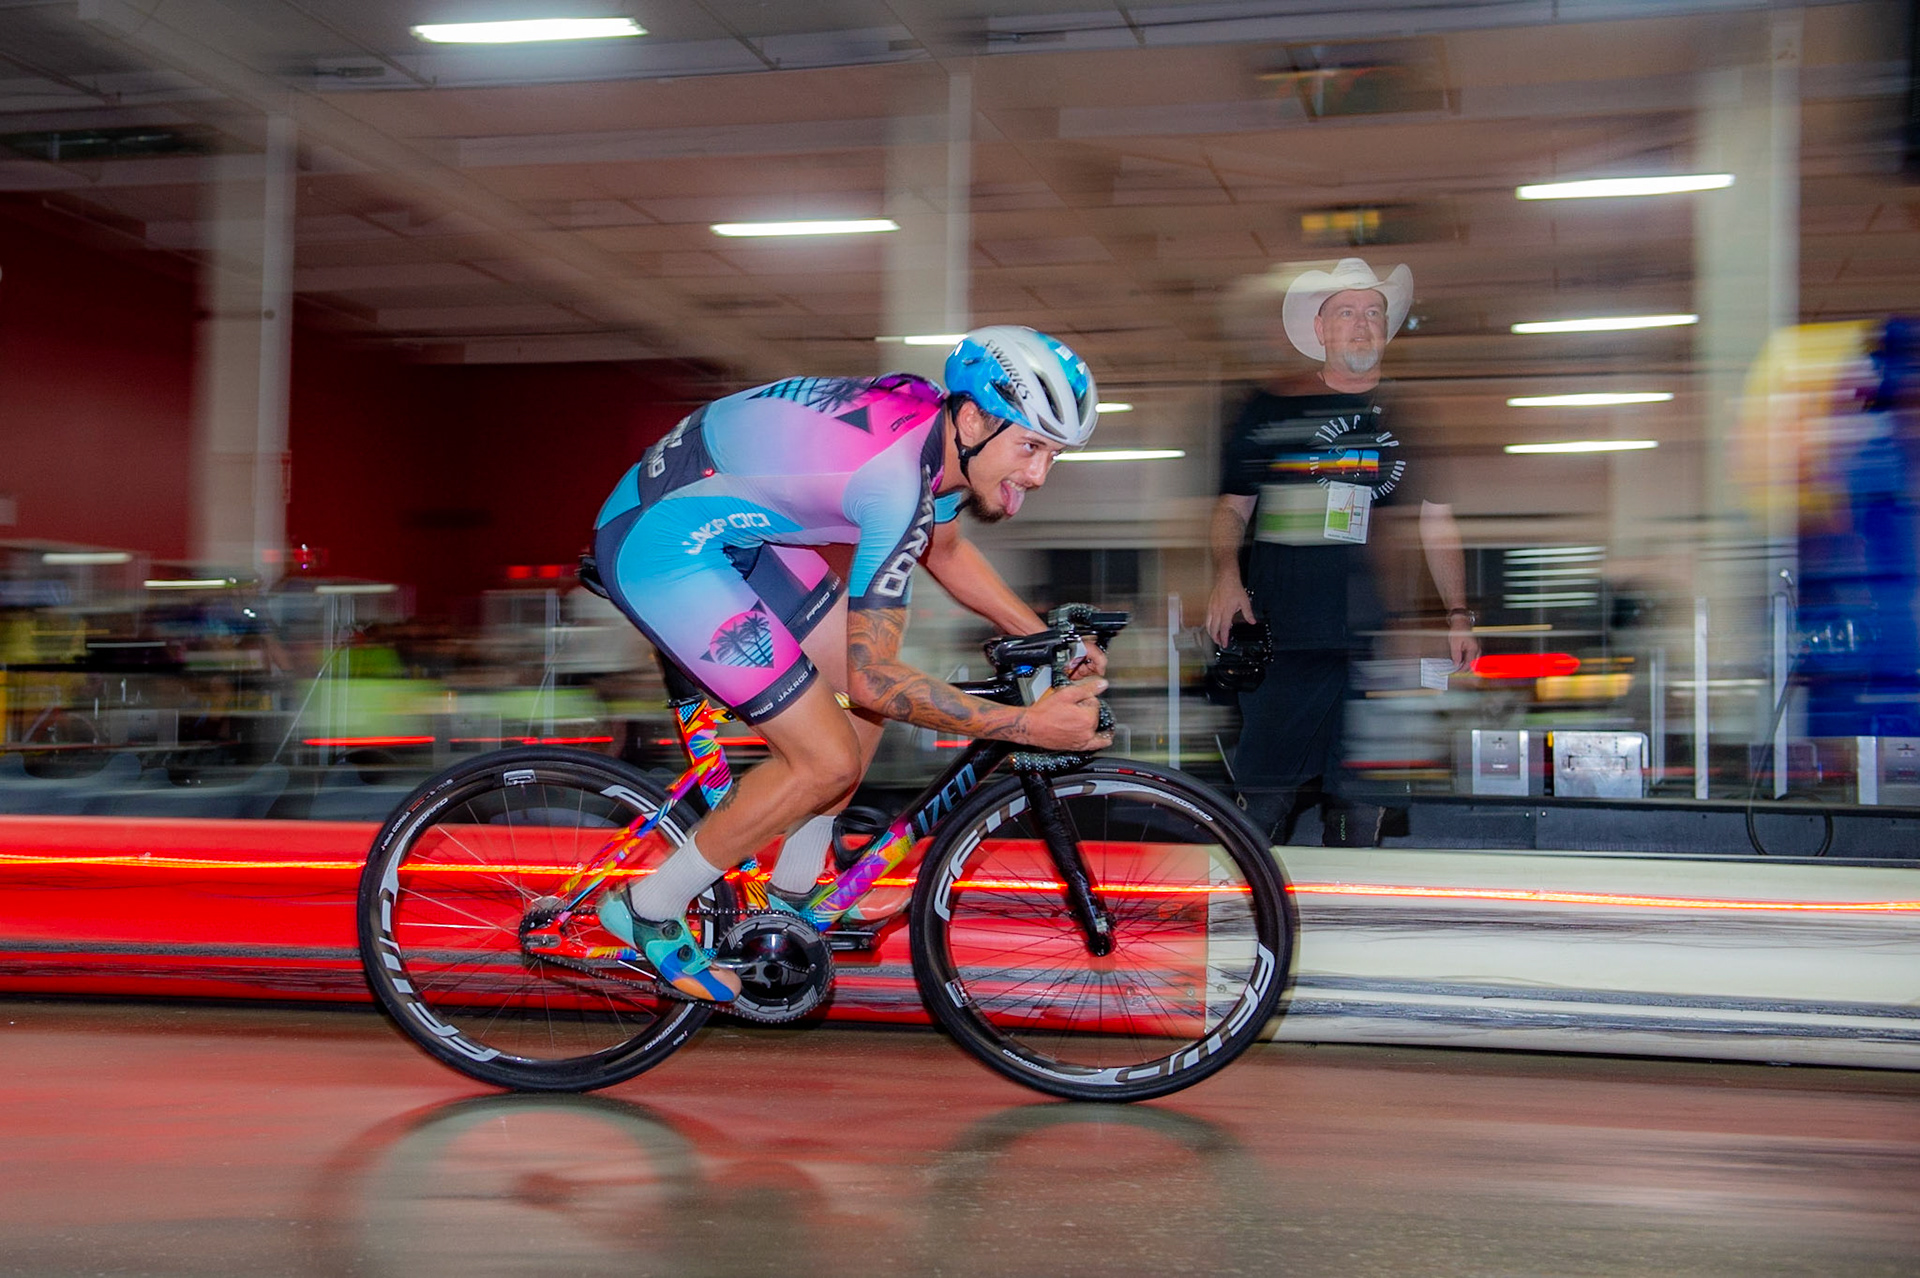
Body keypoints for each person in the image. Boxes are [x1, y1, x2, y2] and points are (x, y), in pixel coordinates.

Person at [590, 326, 1112, 1000]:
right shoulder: (893, 485)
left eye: (1053, 454)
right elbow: (877, 675)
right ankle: (648, 908)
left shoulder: (937, 441)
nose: (1038, 476)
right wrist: (1026, 726)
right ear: (974, 421)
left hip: (739, 527)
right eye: (1031, 447)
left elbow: (949, 551)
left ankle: (792, 895)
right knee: (829, 755)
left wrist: (1046, 638)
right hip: (664, 542)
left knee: (866, 711)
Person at [1207, 258, 1479, 847]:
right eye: (1346, 312)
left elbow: (1436, 522)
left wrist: (1457, 614)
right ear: (1321, 329)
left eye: (1373, 312)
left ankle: (1348, 901)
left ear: (1386, 329)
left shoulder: (1406, 415)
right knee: (1264, 800)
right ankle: (1251, 900)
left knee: (1361, 808)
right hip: (1286, 637)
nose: (1361, 324)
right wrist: (1227, 576)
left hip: (1372, 645)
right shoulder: (1273, 409)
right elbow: (1233, 507)